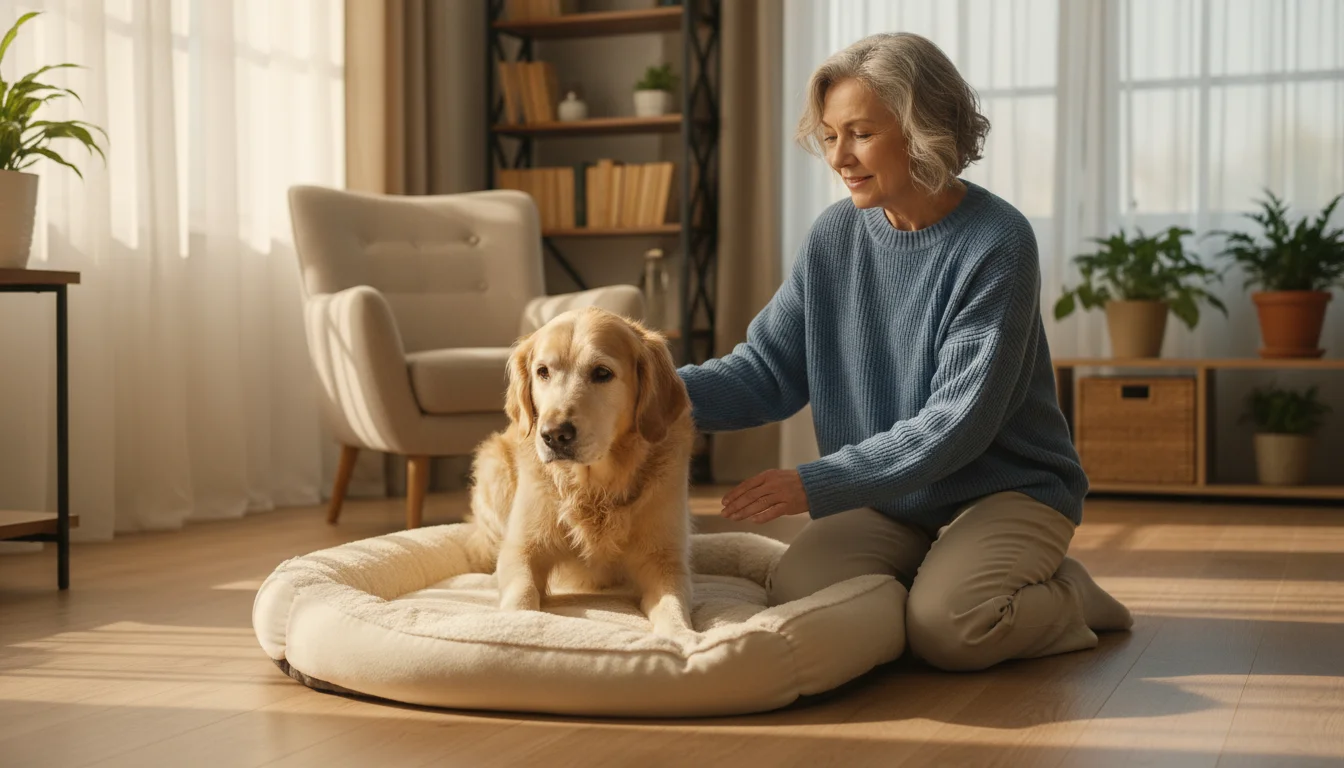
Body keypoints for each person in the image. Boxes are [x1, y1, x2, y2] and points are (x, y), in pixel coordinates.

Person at [676, 32, 1132, 672]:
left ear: (922, 131)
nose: (840, 156)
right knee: (802, 593)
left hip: (1006, 489)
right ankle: (940, 575)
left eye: (860, 132)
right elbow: (766, 371)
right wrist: (638, 393)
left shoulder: (997, 241)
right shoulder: (835, 235)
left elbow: (955, 425)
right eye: (831, 135)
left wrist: (814, 482)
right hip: (894, 499)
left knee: (951, 629)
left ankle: (1071, 596)